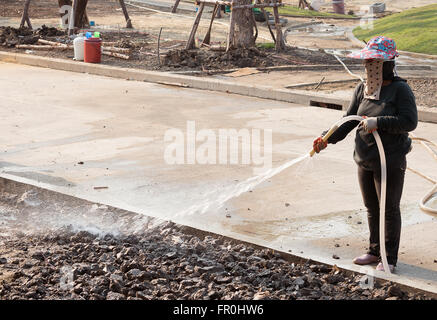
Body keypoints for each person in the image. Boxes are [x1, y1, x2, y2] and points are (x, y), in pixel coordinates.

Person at [313, 36, 418, 272]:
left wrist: (378, 121)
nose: (370, 67)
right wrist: (326, 139)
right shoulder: (362, 89)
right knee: (372, 207)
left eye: (375, 62)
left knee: (389, 208)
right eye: (368, 62)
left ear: (388, 64)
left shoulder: (400, 90)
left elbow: (409, 121)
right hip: (365, 160)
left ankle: (389, 259)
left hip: (389, 160)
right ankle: (374, 251)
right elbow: (348, 120)